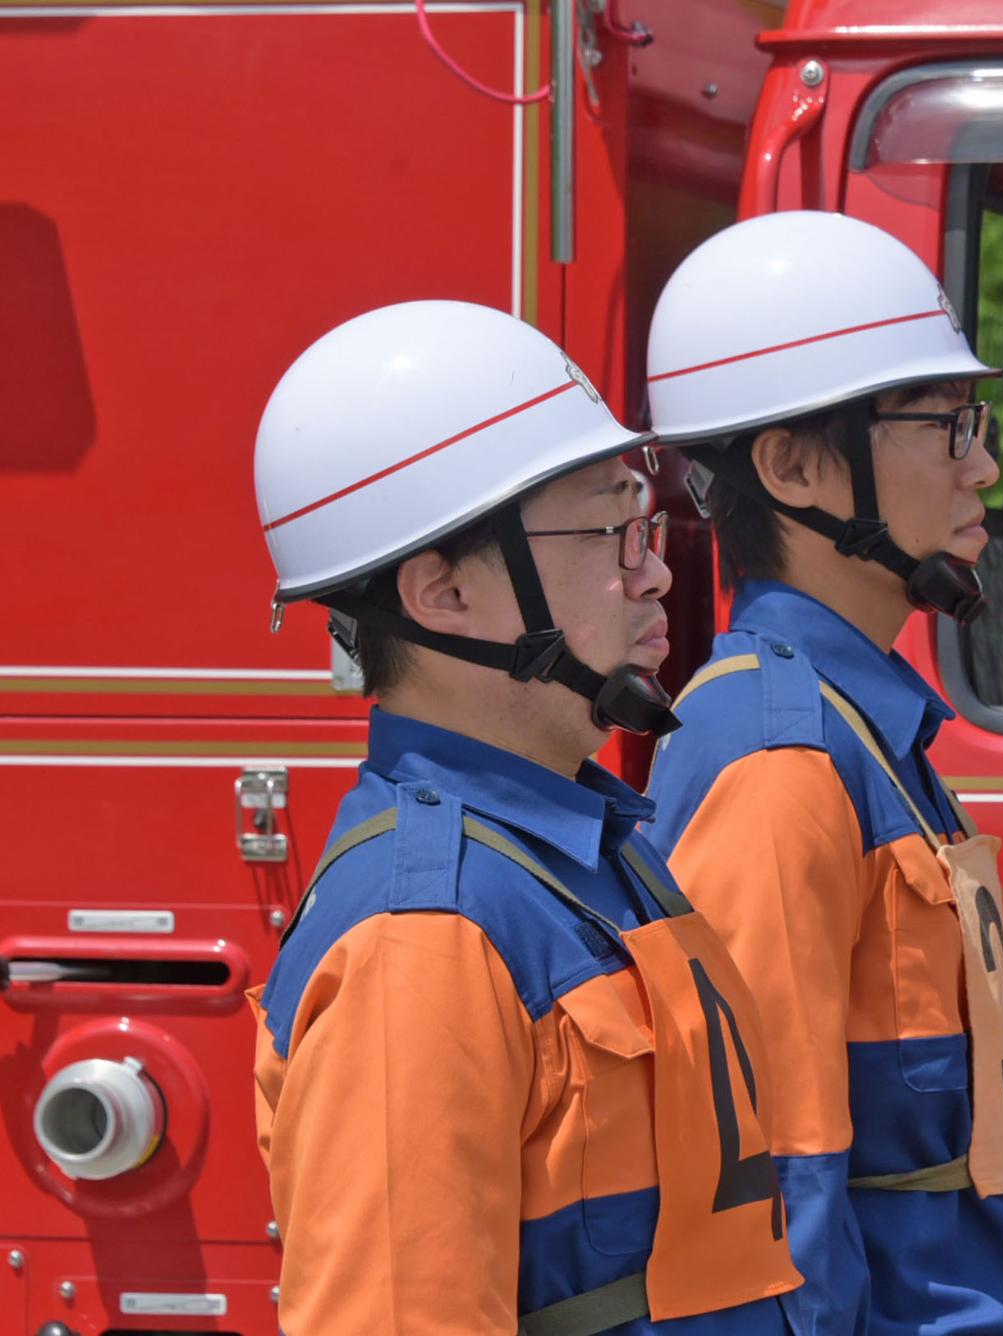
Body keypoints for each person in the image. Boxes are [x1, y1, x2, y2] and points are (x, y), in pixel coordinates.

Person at [247, 300, 801, 1335]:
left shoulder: (589, 853)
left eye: (647, 527)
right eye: (610, 532)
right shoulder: (424, 937)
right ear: (443, 592)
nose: (658, 571)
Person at [638, 211, 1003, 1335]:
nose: (982, 464)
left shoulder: (859, 729)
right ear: (793, 465)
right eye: (942, 427)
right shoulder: (777, 757)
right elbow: (773, 1190)